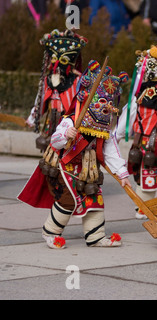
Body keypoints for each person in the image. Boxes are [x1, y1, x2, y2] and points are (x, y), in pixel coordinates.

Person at [18, 60, 131, 249]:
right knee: (67, 200)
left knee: (94, 199)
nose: (105, 107)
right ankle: (51, 232)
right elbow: (55, 140)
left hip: (88, 169)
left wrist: (122, 173)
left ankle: (96, 237)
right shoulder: (71, 120)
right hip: (64, 165)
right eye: (101, 102)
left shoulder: (103, 129)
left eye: (108, 103)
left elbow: (110, 151)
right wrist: (66, 135)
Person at [115, 43, 157, 219]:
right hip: (144, 143)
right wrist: (114, 138)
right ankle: (143, 204)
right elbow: (126, 121)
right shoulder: (137, 103)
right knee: (146, 175)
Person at [26, 29, 87, 153]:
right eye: (54, 60)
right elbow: (40, 100)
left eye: (63, 61)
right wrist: (32, 119)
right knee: (47, 149)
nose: (57, 65)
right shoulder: (47, 80)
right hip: (51, 120)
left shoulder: (77, 80)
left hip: (68, 123)